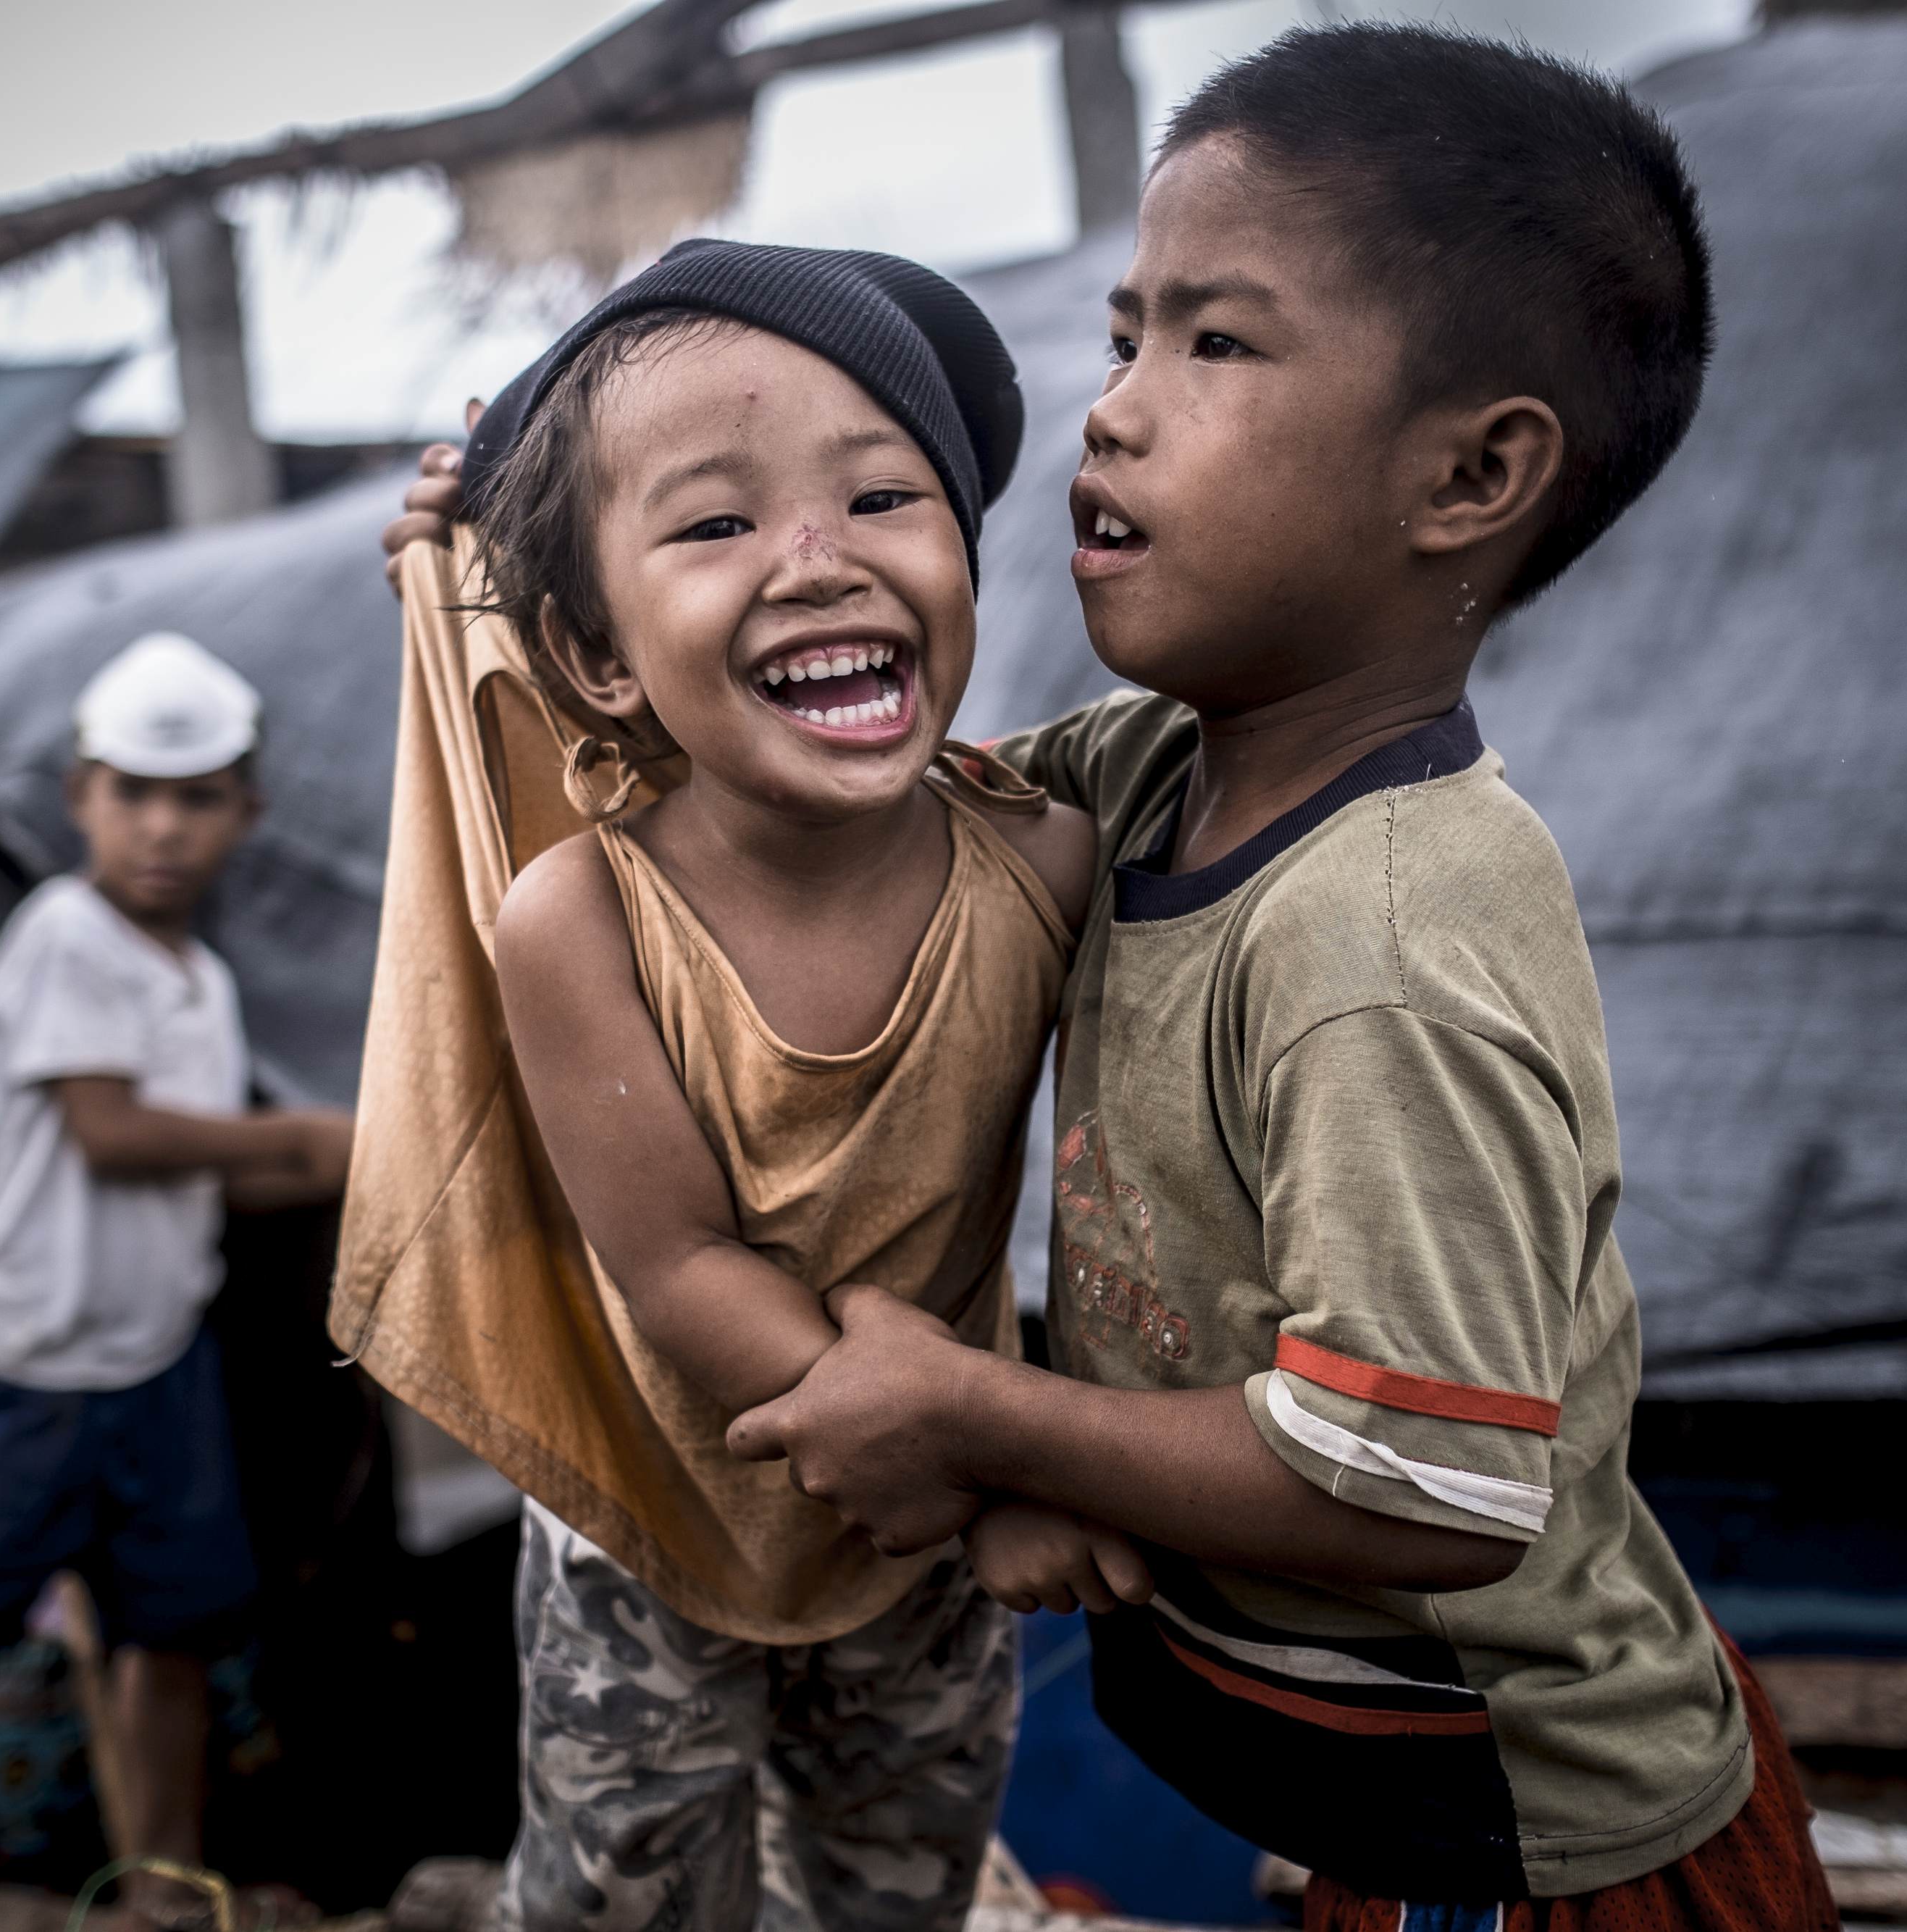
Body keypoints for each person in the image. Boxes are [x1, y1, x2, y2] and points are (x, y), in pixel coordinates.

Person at [386, 26, 1835, 1932]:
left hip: (1545, 1847)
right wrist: (495, 596)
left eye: (1215, 345)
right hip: (1384, 1814)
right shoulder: (1141, 776)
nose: (1115, 414)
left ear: (1471, 473)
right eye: (1123, 339)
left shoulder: (1376, 946)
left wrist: (990, 1419)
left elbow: (1417, 1481)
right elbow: (763, 814)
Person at [446, 241, 1141, 1931]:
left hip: (926, 1541)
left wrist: (1036, 1452)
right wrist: (975, 1475)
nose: (818, 562)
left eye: (884, 498)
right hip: (658, 1519)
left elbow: (1128, 1169)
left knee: (890, 1880)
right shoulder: (582, 913)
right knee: (623, 1895)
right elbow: (677, 1265)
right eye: (713, 523)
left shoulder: (1044, 862)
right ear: (599, 657)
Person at [0, 632, 355, 1932]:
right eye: (134, 793)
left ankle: (162, 1892)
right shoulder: (62, 936)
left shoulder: (201, 983)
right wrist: (317, 1139)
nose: (164, 827)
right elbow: (114, 1132)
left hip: (155, 1367)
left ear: (245, 814)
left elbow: (198, 1177)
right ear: (78, 798)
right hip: (21, 1373)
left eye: (199, 797)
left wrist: (354, 1168)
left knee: (171, 1642)